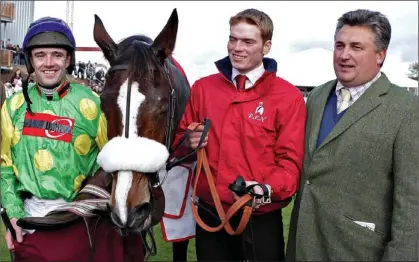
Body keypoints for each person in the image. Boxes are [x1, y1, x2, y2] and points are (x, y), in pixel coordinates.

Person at [1, 16, 144, 262]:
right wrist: (12, 216)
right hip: (30, 224)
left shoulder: (93, 103)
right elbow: (5, 166)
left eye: (57, 54)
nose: (48, 63)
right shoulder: (13, 106)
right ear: (30, 60)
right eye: (40, 55)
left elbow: (114, 162)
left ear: (68, 60)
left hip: (82, 224)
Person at [172, 8, 306, 261]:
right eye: (233, 39)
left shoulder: (288, 97)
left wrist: (266, 189)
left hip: (260, 216)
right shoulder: (203, 88)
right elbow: (179, 148)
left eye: (248, 41)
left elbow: (290, 163)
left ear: (266, 47)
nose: (237, 47)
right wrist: (188, 143)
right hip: (210, 213)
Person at [286, 9, 418, 261]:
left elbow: (412, 205)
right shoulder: (316, 96)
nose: (344, 55)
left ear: (380, 56)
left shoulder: (407, 110)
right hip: (303, 246)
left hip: (359, 251)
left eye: (356, 47)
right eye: (340, 45)